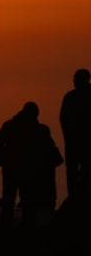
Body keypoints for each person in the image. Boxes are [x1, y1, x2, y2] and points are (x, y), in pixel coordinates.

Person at [0, 101, 63, 226]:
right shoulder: (39, 130)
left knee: (10, 199)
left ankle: (7, 224)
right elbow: (49, 149)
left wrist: (6, 157)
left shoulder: (10, 125)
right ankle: (26, 225)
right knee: (27, 199)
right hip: (27, 170)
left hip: (12, 168)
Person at [59, 68, 91, 198]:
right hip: (78, 141)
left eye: (75, 79)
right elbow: (63, 119)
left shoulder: (71, 97)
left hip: (75, 141)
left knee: (75, 170)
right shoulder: (70, 96)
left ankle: (75, 196)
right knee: (83, 170)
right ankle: (80, 195)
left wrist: (68, 137)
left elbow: (63, 119)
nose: (73, 81)